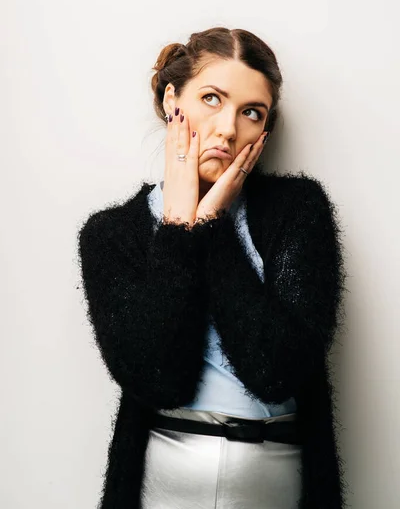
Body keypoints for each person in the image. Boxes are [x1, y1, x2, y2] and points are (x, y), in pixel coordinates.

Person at [77, 27, 349, 508]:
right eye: (211, 98)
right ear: (171, 100)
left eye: (251, 112)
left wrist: (213, 228)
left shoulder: (297, 211)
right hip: (163, 474)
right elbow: (157, 377)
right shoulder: (111, 234)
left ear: (264, 132)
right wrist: (179, 228)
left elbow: (277, 371)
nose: (227, 128)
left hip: (274, 473)